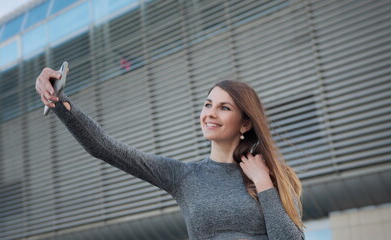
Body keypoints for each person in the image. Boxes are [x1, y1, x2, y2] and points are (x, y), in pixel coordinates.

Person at [35, 68, 305, 240]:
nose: (210, 113)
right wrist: (59, 101)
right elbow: (105, 147)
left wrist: (264, 184)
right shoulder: (184, 176)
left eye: (224, 108)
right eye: (208, 104)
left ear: (245, 123)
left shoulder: (271, 177)